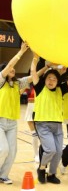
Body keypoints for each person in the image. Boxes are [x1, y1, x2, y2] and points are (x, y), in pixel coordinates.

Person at [31, 52, 68, 184]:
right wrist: (35, 58)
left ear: (57, 81)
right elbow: (33, 72)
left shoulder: (61, 89)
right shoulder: (40, 87)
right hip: (43, 124)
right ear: (45, 79)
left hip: (57, 125)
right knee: (50, 150)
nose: (51, 81)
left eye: (54, 79)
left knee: (58, 152)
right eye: (49, 78)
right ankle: (42, 169)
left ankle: (52, 174)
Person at [0, 42, 31, 184]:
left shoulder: (18, 84)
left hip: (12, 123)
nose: (12, 69)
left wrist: (46, 66)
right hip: (0, 121)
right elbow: (8, 67)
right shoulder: (1, 81)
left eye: (13, 68)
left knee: (12, 152)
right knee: (3, 149)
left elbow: (32, 77)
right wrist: (21, 52)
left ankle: (3, 175)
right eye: (9, 68)